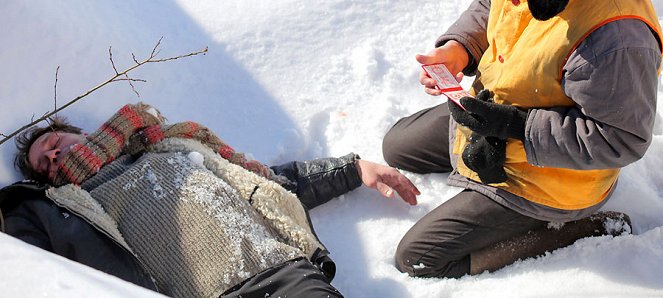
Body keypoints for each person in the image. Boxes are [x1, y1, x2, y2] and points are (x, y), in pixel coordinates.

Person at [382, 0, 661, 278]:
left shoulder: (615, 40)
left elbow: (620, 140)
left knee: (419, 258)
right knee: (395, 146)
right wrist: (460, 48)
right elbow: (490, 2)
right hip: (494, 112)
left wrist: (514, 128)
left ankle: (576, 228)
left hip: (552, 180)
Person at [0, 102, 420, 297]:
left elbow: (265, 184)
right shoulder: (71, 204)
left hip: (280, 272)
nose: (55, 155)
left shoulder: (171, 144)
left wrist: (352, 170)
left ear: (76, 131)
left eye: (54, 142)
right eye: (45, 162)